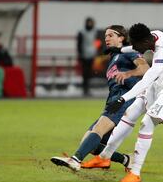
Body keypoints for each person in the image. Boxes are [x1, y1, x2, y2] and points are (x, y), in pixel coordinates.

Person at [99, 23, 163, 182]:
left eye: (137, 46)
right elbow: (135, 46)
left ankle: (135, 173)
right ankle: (104, 157)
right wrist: (120, 50)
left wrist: (123, 98)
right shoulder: (153, 35)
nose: (136, 49)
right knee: (131, 111)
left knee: (147, 122)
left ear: (145, 42)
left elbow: (146, 81)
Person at [51, 25, 149, 171]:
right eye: (105, 36)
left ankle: (75, 160)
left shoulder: (129, 52)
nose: (106, 38)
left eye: (111, 35)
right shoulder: (113, 58)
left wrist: (129, 74)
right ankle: (126, 159)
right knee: (89, 141)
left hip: (125, 99)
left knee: (98, 130)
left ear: (121, 37)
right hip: (113, 100)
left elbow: (145, 68)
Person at [77, 17, 98, 96]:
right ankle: (85, 89)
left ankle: (87, 88)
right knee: (85, 73)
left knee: (89, 73)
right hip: (84, 55)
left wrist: (96, 50)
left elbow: (96, 42)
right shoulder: (82, 32)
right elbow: (79, 44)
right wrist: (80, 54)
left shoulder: (94, 32)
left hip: (92, 55)